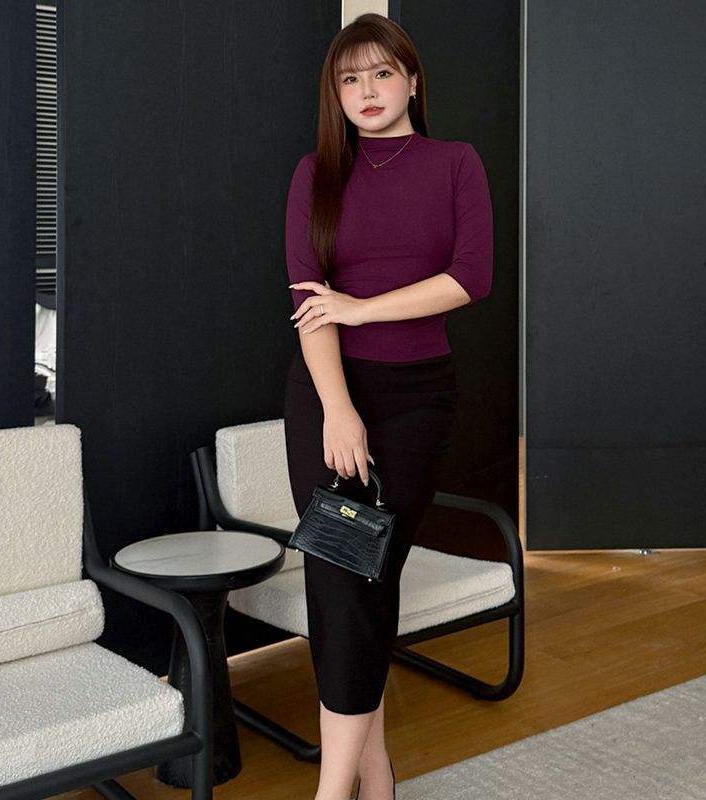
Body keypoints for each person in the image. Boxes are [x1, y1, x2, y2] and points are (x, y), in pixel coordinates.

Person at [283, 12, 493, 800]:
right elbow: (309, 307)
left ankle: (362, 779)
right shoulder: (315, 174)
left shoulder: (456, 163)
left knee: (369, 578)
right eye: (350, 78)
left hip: (416, 401)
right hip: (327, 394)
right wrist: (339, 410)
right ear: (334, 94)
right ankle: (356, 782)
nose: (366, 90)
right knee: (341, 578)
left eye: (381, 73)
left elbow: (470, 277)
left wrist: (362, 308)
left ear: (411, 80)